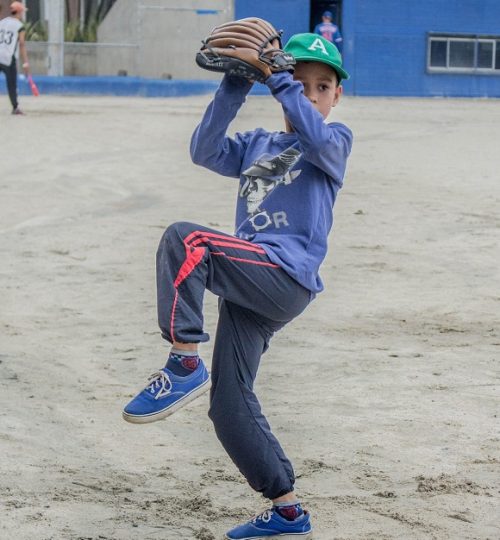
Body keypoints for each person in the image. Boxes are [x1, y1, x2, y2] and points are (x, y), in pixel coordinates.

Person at [123, 32, 352, 540]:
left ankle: (183, 361)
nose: (309, 94)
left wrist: (280, 81)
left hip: (285, 277)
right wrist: (236, 83)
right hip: (250, 280)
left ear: (336, 96)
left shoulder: (334, 143)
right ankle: (287, 510)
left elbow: (313, 136)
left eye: (321, 87)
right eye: (300, 83)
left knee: (189, 240)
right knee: (229, 403)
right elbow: (204, 151)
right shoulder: (258, 145)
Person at [0, 1, 30, 115]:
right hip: (8, 58)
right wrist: (25, 63)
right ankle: (15, 107)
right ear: (18, 12)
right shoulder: (19, 26)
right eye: (22, 11)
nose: (22, 14)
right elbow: (21, 43)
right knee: (11, 83)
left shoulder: (2, 22)